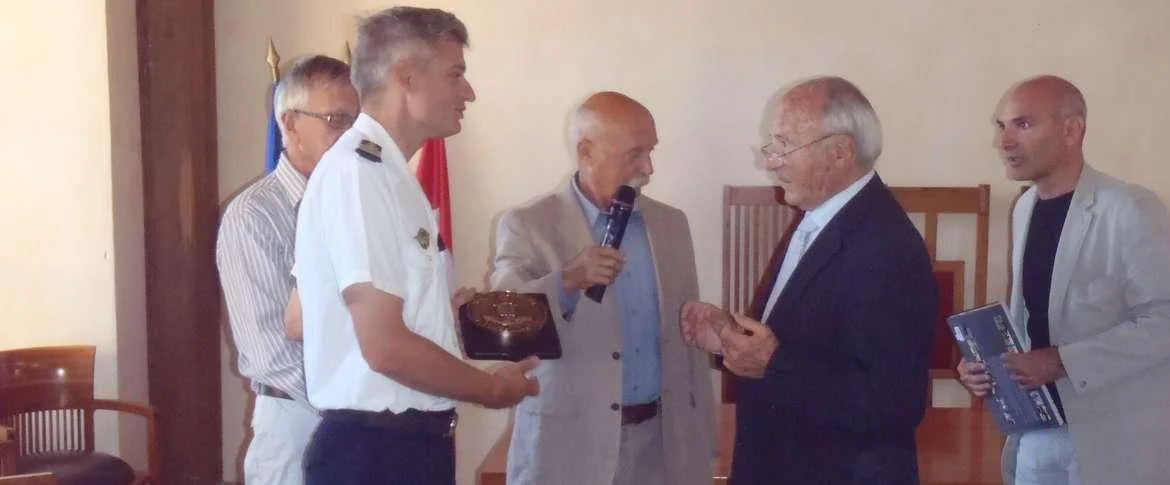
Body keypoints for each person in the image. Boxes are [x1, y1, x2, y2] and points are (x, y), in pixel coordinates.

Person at [290, 7, 538, 484]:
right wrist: (490, 389)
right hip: (375, 454)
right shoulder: (358, 175)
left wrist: (444, 315)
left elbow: (391, 323)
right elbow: (385, 348)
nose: (468, 92)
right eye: (455, 74)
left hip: (404, 447)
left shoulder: (390, 175)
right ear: (405, 76)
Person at [680, 76, 936, 484]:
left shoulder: (887, 247)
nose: (771, 162)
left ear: (840, 152)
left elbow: (893, 404)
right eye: (772, 145)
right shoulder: (822, 218)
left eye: (785, 145)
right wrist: (732, 338)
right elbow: (805, 339)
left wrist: (773, 365)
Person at [489, 91, 715, 485]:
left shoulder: (672, 225)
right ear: (586, 152)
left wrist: (704, 442)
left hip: (662, 450)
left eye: (651, 151)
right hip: (567, 452)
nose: (648, 167)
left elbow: (688, 342)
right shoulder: (527, 225)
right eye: (634, 154)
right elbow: (505, 326)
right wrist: (567, 281)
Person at [957, 75, 1170, 485]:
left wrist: (1061, 361)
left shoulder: (1128, 207)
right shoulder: (1024, 208)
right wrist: (986, 364)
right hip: (1037, 428)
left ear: (1072, 130)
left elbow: (1164, 321)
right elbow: (1035, 319)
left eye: (1023, 124)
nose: (1004, 141)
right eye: (1001, 126)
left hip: (1113, 436)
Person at [215, 54, 357, 485]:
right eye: (337, 120)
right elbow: (269, 353)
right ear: (290, 123)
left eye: (357, 121)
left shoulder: (359, 204)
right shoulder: (253, 215)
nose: (352, 135)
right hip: (299, 421)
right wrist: (362, 401)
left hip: (363, 421)